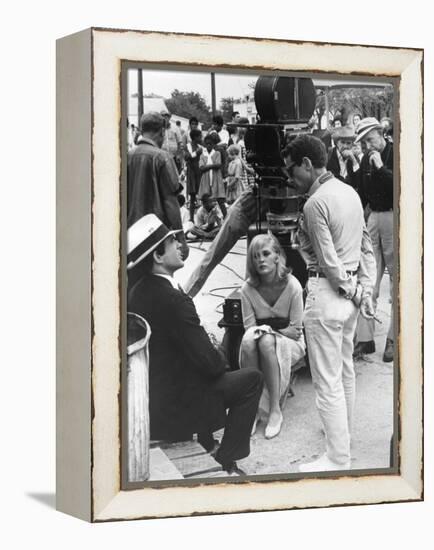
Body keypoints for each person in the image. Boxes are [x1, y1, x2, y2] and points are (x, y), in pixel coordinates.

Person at [127, 214, 263, 475]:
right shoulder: (174, 300)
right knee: (251, 380)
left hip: (153, 398)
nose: (180, 246)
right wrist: (218, 354)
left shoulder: (139, 290)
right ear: (157, 256)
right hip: (173, 412)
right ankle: (227, 458)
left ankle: (207, 441)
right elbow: (211, 366)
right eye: (172, 242)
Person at [282, 134, 376, 472]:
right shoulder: (349, 191)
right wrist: (364, 291)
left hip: (328, 293)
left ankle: (337, 456)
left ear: (307, 164)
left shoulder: (314, 202)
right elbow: (365, 249)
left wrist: (352, 290)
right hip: (349, 297)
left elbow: (329, 262)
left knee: (327, 380)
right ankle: (343, 437)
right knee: (345, 370)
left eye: (292, 172)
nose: (291, 180)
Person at [239, 234, 306, 439]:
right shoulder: (247, 289)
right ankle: (253, 409)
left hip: (292, 344)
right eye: (255, 256)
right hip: (260, 341)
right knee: (251, 342)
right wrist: (270, 331)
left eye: (266, 254)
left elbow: (296, 331)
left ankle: (275, 410)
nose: (260, 260)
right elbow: (249, 329)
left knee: (265, 341)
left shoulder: (292, 285)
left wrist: (268, 331)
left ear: (277, 256)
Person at [353, 117, 394, 362]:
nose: (369, 145)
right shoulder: (367, 158)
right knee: (368, 277)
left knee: (396, 280)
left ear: (381, 133)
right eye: (364, 141)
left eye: (371, 139)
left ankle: (392, 337)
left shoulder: (396, 151)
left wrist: (380, 169)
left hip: (392, 215)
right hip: (373, 218)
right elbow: (359, 189)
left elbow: (400, 186)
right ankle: (365, 339)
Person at [127, 111, 189, 259]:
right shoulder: (162, 157)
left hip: (130, 233)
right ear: (162, 131)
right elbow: (170, 201)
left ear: (141, 130)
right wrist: (181, 238)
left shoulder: (127, 156)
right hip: (156, 234)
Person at [198, 133, 227, 218]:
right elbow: (201, 168)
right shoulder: (203, 155)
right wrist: (212, 166)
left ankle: (225, 217)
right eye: (207, 144)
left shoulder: (217, 153)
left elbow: (218, 165)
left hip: (216, 179)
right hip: (206, 180)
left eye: (210, 144)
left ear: (214, 144)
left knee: (220, 200)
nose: (208, 145)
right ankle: (209, 218)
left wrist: (207, 166)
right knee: (207, 200)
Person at [184, 128, 203, 222]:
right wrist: (196, 153)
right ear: (195, 137)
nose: (201, 138)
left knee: (203, 195)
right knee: (192, 196)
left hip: (199, 172)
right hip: (191, 173)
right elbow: (186, 157)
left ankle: (203, 218)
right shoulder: (187, 146)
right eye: (200, 136)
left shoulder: (200, 146)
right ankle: (191, 218)